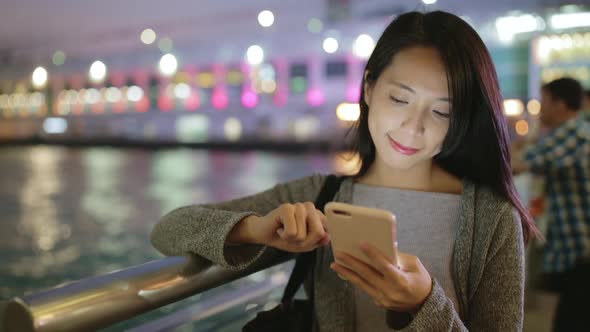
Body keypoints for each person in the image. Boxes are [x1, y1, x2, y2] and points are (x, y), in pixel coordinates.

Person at [151, 11, 537, 331]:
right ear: (369, 88)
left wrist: (425, 305)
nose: (413, 126)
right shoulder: (322, 197)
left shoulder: (491, 216)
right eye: (399, 99)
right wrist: (257, 229)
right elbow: (168, 230)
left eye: (441, 111)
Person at [513, 78, 589, 332]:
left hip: (583, 250)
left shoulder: (573, 134)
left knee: (572, 323)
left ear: (559, 104)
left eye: (543, 102)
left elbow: (518, 164)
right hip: (577, 251)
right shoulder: (571, 132)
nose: (540, 109)